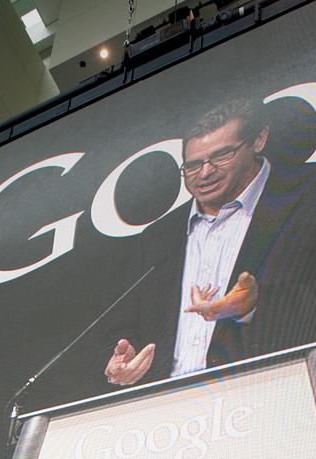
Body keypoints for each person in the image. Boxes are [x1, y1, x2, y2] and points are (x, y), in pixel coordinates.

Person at [103, 99, 276, 387]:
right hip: (172, 415)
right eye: (193, 165)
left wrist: (255, 304)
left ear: (258, 140)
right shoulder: (157, 237)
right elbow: (120, 329)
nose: (205, 173)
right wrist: (121, 358)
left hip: (270, 393)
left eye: (221, 156)